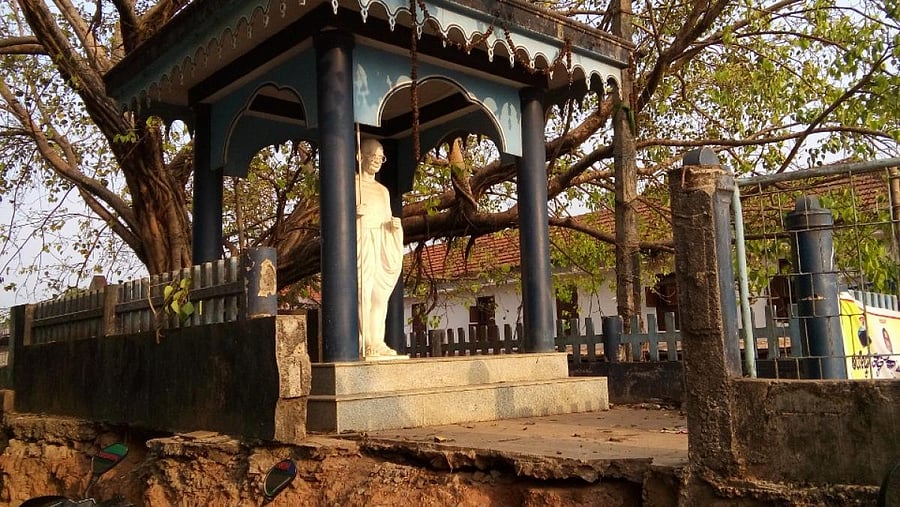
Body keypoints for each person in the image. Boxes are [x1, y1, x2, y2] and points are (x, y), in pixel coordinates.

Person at [355, 139, 403, 357]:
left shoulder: (383, 191)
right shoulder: (351, 184)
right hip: (362, 241)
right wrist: (354, 214)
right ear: (360, 156)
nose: (376, 161)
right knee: (362, 293)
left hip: (380, 242)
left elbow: (387, 218)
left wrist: (394, 227)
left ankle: (377, 340)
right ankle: (363, 342)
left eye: (380, 157)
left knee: (379, 296)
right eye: (372, 156)